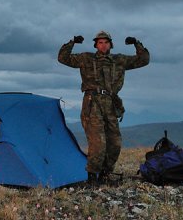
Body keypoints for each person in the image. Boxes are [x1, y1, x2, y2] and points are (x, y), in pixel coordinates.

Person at [58, 30, 149, 186]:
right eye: (100, 42)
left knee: (114, 143)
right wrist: (72, 42)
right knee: (98, 143)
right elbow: (63, 58)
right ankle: (92, 178)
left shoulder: (119, 60)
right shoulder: (86, 58)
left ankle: (105, 175)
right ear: (96, 45)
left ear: (110, 44)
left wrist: (136, 43)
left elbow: (144, 60)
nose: (103, 45)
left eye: (106, 42)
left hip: (111, 103)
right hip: (92, 103)